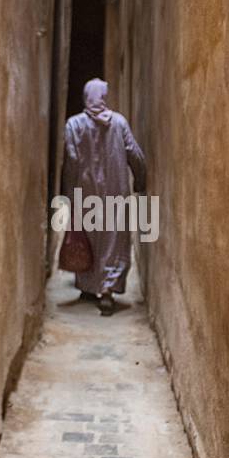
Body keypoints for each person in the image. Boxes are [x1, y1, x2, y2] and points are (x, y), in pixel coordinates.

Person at [63, 78, 146, 315]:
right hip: (115, 192)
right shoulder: (118, 123)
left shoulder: (73, 125)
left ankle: (88, 286)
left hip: (85, 193)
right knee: (113, 239)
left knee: (87, 238)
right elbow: (135, 154)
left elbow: (70, 161)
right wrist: (141, 180)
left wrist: (69, 194)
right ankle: (107, 291)